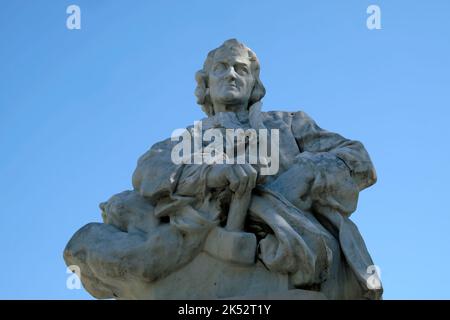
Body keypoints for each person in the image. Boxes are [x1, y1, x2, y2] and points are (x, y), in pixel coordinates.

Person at [64, 39, 382, 300]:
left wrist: (304, 174)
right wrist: (212, 173)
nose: (231, 74)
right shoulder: (188, 138)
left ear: (253, 84)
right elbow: (149, 172)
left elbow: (357, 159)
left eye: (241, 69)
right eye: (221, 68)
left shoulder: (287, 124)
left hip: (282, 238)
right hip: (197, 239)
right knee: (96, 235)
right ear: (206, 83)